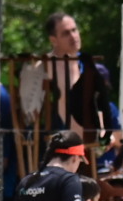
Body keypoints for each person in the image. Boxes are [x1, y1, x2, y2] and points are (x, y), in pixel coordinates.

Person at [43, 12, 114, 141]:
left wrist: (102, 132)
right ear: (53, 40)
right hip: (58, 142)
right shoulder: (45, 67)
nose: (73, 36)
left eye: (74, 30)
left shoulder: (87, 64)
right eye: (66, 33)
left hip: (88, 142)